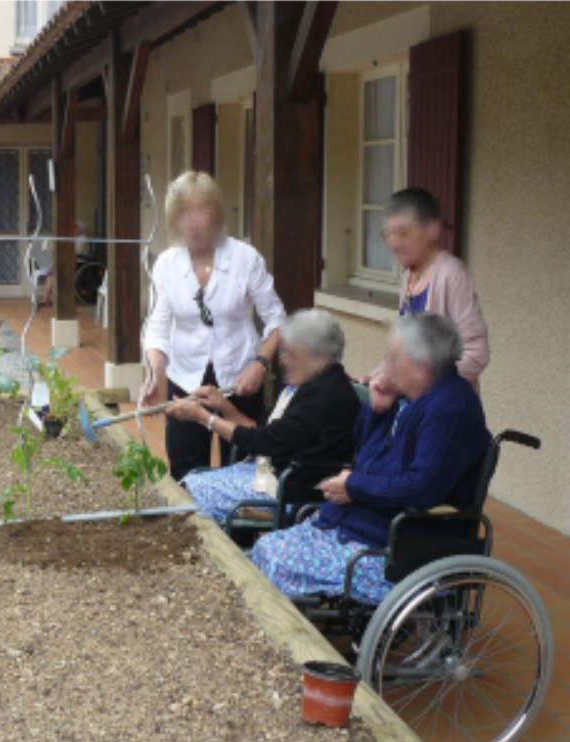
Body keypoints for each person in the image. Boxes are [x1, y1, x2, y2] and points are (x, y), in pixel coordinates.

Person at [251, 313, 491, 606]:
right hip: (362, 527)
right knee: (263, 551)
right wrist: (376, 410)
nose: (386, 364)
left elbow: (420, 488)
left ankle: (292, 643)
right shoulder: (411, 396)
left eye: (394, 356)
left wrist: (354, 487)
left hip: (395, 545)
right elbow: (365, 454)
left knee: (274, 562)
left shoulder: (449, 409)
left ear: (420, 364)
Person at [143, 171, 286, 481]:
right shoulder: (167, 264)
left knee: (242, 469)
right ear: (173, 220)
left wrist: (261, 364)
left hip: (239, 379)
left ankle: (239, 532)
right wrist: (155, 372)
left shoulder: (245, 259)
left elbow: (276, 319)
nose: (192, 221)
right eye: (184, 213)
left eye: (201, 210)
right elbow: (157, 327)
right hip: (185, 378)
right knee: (186, 471)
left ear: (217, 213)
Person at [167, 309, 361, 524]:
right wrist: (221, 405)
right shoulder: (303, 386)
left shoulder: (325, 397)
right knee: (189, 486)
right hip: (269, 474)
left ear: (320, 357)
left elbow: (265, 442)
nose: (283, 360)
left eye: (292, 354)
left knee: (188, 496)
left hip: (291, 491)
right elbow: (263, 431)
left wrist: (204, 418)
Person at [363, 187, 489, 391]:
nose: (394, 242)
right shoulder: (408, 277)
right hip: (415, 406)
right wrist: (378, 375)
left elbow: (476, 352)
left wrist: (422, 381)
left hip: (446, 410)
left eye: (403, 232)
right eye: (388, 233)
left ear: (432, 229)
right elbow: (406, 348)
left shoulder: (451, 274)